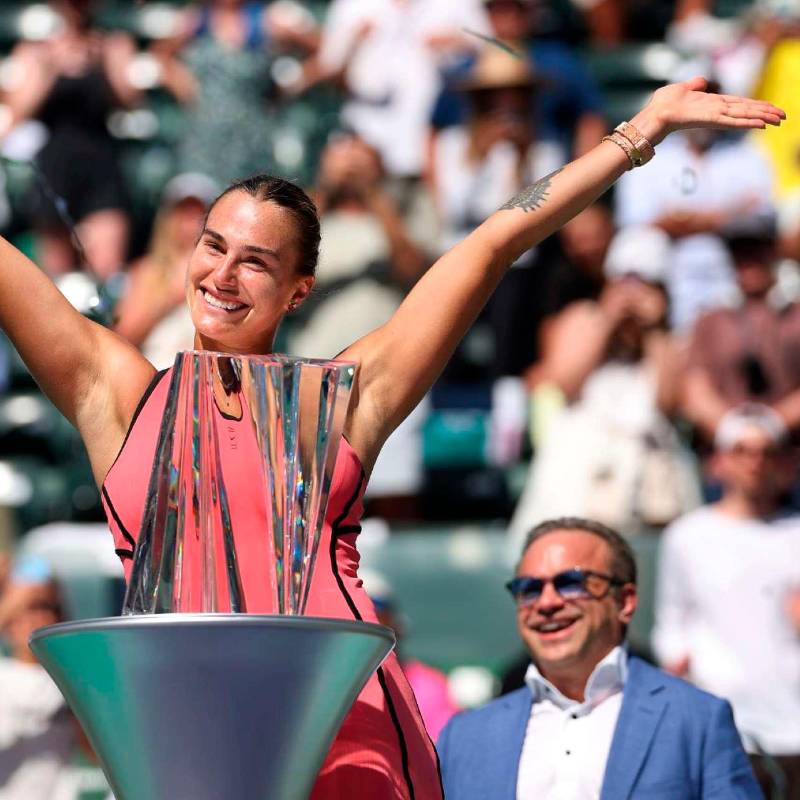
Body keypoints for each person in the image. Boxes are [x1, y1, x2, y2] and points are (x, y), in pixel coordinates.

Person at [0, 77, 783, 799]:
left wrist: (638, 133)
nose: (224, 276)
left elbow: (488, 248)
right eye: (214, 246)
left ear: (299, 288)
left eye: (257, 263)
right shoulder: (119, 394)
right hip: (185, 734)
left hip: (349, 734)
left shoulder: (340, 398)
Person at [438, 517, 762, 799]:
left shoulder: (696, 719)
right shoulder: (465, 736)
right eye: (529, 588)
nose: (547, 602)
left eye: (570, 583)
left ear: (625, 601)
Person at [510, 225, 699, 538]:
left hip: (651, 487)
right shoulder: (583, 317)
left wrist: (653, 330)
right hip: (579, 475)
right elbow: (565, 384)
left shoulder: (674, 340)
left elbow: (667, 405)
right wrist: (608, 319)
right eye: (624, 281)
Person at [653, 406, 800, 798]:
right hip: (725, 727)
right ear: (718, 461)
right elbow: (671, 621)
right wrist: (679, 666)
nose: (755, 462)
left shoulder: (795, 534)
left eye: (766, 451)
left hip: (793, 724)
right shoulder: (688, 536)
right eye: (742, 450)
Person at [3, 0, 142, 279]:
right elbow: (19, 111)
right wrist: (52, 64)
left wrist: (104, 60)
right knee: (56, 277)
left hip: (101, 162)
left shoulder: (112, 40)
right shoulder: (35, 47)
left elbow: (129, 100)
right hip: (55, 164)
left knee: (107, 270)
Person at [682, 227, 800, 443]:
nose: (749, 261)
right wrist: (731, 430)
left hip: (790, 454)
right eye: (741, 253)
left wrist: (775, 423)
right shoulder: (710, 320)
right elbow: (695, 387)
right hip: (726, 459)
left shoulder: (795, 314)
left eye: (757, 252)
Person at [114, 172, 219, 369]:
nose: (190, 224)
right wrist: (172, 294)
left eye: (199, 214)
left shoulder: (222, 273)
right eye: (183, 214)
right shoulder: (145, 271)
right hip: (155, 377)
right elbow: (122, 338)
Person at [0, 563, 79, 799]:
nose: (37, 618)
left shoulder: (70, 681)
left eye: (46, 607)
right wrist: (13, 603)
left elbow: (98, 753)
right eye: (28, 609)